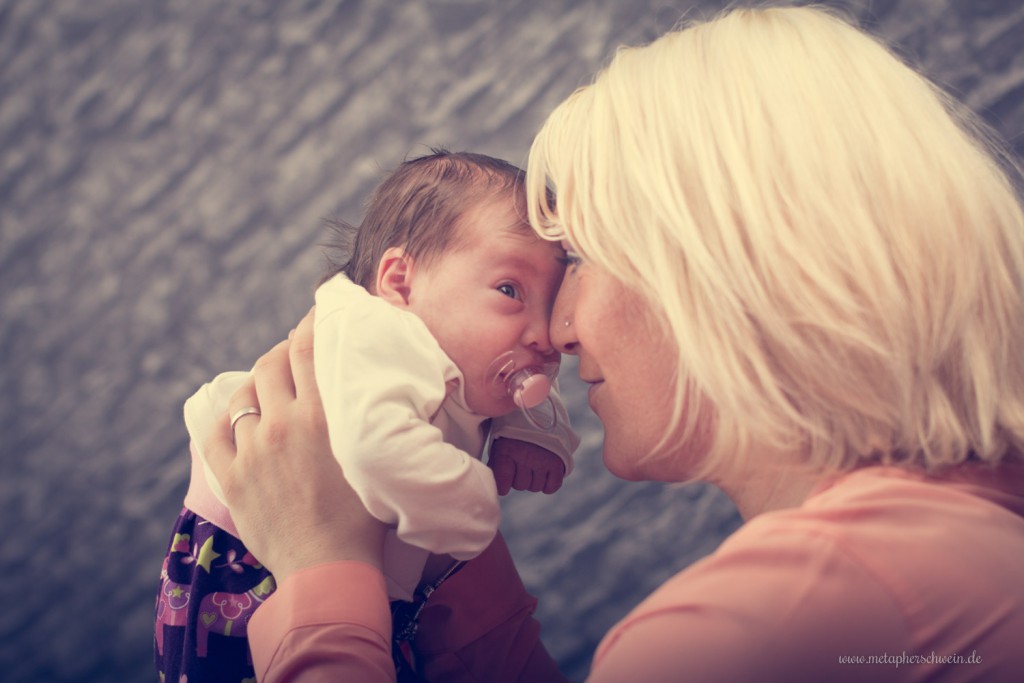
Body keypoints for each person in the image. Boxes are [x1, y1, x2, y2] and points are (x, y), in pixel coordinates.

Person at [205, 5, 1024, 682]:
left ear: (714, 263)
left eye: (576, 260)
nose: (557, 330)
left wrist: (321, 571)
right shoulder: (975, 544)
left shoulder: (760, 627)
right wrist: (450, 557)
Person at [154, 150, 580, 682]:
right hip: (244, 565)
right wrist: (473, 511)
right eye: (510, 291)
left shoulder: (478, 351)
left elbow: (531, 388)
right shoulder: (378, 337)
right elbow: (376, 448)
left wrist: (529, 435)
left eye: (555, 305)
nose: (545, 335)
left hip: (351, 580)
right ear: (400, 282)